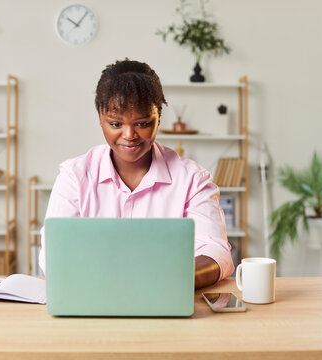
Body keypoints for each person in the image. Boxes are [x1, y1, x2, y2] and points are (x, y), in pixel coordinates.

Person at [39, 59, 234, 289]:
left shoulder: (192, 179)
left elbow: (215, 251)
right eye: (115, 123)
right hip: (93, 301)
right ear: (100, 120)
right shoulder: (74, 177)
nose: (129, 135)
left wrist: (169, 280)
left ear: (158, 117)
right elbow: (52, 255)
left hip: (167, 298)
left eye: (142, 123)